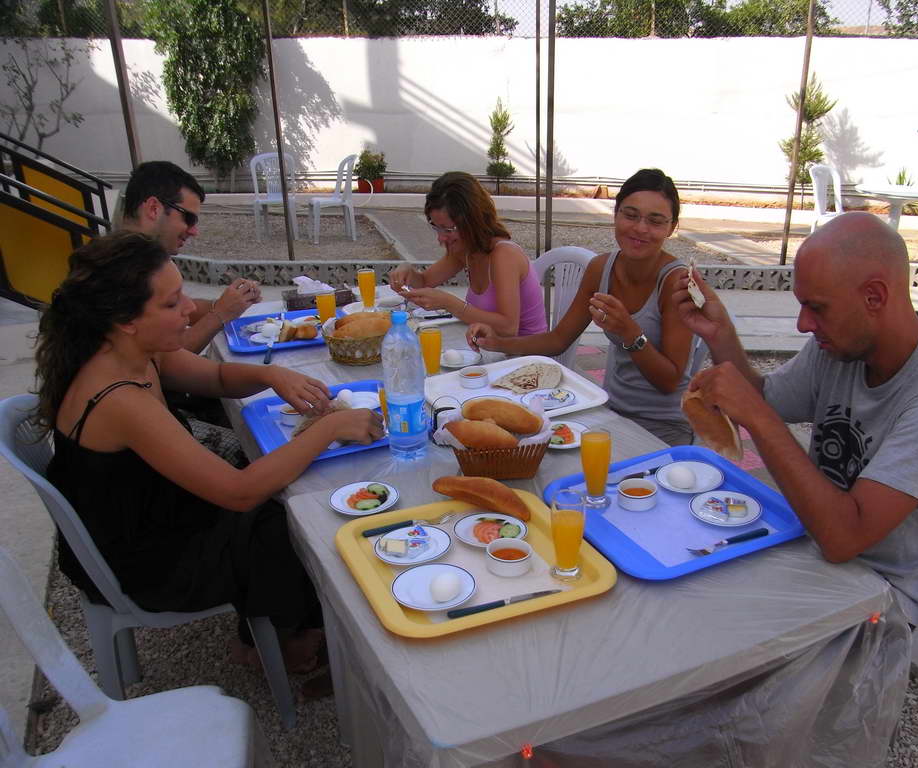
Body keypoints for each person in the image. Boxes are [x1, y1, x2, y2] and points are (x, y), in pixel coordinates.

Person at [35, 232, 384, 691]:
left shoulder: (133, 352)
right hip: (150, 560)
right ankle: (278, 640)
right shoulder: (117, 397)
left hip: (155, 514)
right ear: (125, 320)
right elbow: (238, 494)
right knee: (298, 517)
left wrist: (269, 373)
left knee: (281, 481)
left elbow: (217, 376)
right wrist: (330, 428)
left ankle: (286, 626)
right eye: (172, 302)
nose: (190, 310)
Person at [671, 211, 918, 627]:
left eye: (816, 308)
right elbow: (767, 398)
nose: (804, 324)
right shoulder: (842, 347)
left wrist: (757, 419)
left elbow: (844, 539)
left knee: (701, 623)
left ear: (874, 297)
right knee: (680, 568)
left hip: (877, 596)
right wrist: (720, 334)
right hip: (810, 542)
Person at [467, 168, 697, 445]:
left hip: (663, 427)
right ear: (615, 215)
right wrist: (497, 342)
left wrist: (630, 334)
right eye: (630, 215)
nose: (640, 229)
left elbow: (670, 381)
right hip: (609, 410)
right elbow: (558, 340)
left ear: (671, 228)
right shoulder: (601, 268)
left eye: (655, 221)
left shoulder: (676, 282)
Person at [120, 161, 262, 354]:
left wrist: (229, 303)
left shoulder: (139, 255)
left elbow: (184, 307)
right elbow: (170, 358)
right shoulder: (121, 270)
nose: (194, 231)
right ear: (154, 208)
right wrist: (221, 314)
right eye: (189, 219)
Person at [387, 171, 547, 337]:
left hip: (526, 356)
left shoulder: (504, 255)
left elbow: (508, 328)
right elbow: (425, 281)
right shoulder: (466, 249)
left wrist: (449, 303)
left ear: (473, 222)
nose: (440, 237)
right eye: (436, 227)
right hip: (490, 348)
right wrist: (408, 271)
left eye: (448, 229)